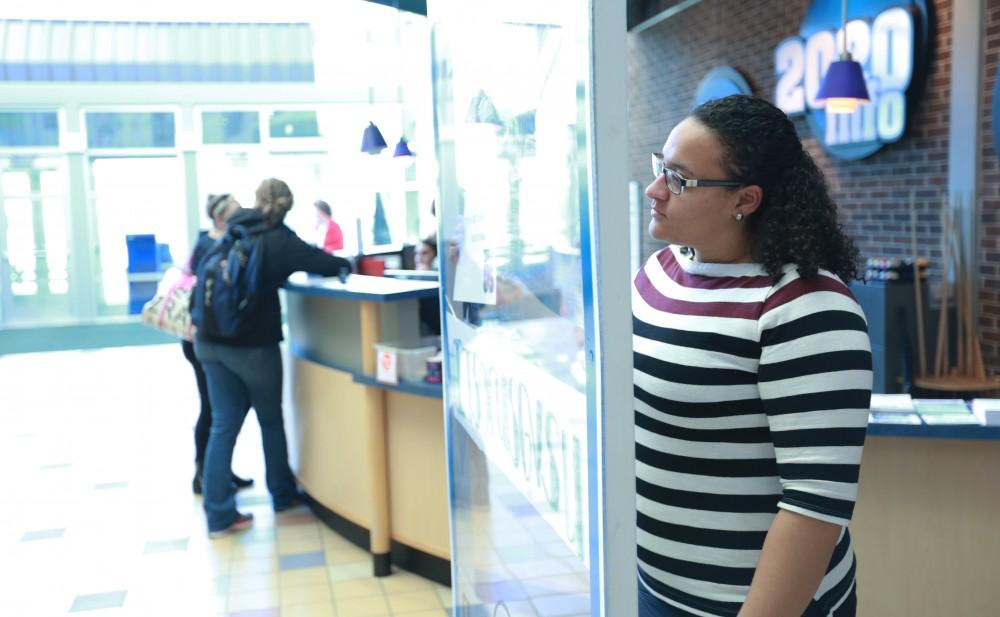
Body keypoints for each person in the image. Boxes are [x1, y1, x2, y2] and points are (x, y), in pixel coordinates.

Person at [633, 95, 871, 617]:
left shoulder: (806, 306)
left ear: (745, 199)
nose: (654, 190)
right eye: (660, 167)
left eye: (677, 179)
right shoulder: (657, 273)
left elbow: (813, 505)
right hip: (657, 587)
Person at [195, 179, 352, 538]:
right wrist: (348, 264)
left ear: (256, 199)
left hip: (209, 339)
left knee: (223, 423)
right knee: (269, 419)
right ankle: (282, 494)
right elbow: (326, 263)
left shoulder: (234, 228)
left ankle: (219, 515)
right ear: (288, 206)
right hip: (252, 345)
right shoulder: (281, 239)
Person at [181, 193, 253, 495]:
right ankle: (205, 474)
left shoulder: (222, 243)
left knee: (225, 407)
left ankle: (219, 471)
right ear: (221, 216)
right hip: (201, 336)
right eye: (236, 210)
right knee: (213, 407)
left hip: (206, 335)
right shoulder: (211, 246)